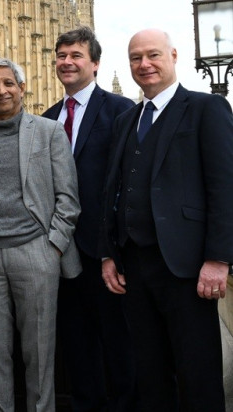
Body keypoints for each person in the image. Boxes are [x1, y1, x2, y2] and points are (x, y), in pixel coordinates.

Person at [101, 29, 233, 411]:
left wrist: (218, 259)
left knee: (198, 370)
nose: (145, 65)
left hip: (187, 266)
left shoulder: (206, 108)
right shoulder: (126, 120)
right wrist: (109, 253)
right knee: (151, 372)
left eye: (153, 55)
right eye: (136, 58)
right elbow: (114, 190)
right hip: (135, 267)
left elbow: (224, 187)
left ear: (174, 56)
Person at [0, 58, 81, 412]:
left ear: (22, 88)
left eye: (8, 83)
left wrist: (52, 247)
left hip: (35, 253)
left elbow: (68, 198)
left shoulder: (49, 132)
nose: (1, 90)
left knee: (39, 351)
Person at [42, 27, 136, 411]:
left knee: (120, 346)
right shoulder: (46, 120)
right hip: (62, 255)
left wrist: (118, 248)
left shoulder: (120, 111)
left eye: (76, 55)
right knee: (77, 348)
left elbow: (128, 183)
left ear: (95, 64)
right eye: (61, 55)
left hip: (106, 253)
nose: (67, 62)